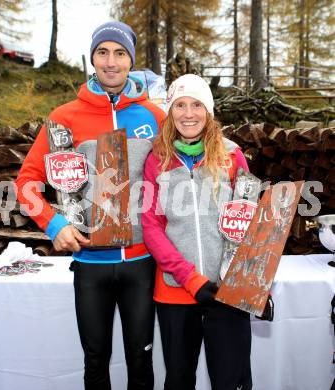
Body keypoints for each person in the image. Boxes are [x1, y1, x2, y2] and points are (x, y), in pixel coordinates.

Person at [15, 21, 165, 390]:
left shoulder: (155, 117)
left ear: (131, 60)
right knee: (95, 360)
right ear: (92, 59)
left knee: (141, 359)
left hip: (141, 262)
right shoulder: (64, 117)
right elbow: (25, 183)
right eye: (102, 52)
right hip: (89, 264)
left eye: (119, 53)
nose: (111, 62)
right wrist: (53, 225)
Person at [142, 74, 252, 390]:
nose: (188, 113)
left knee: (231, 380)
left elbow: (249, 222)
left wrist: (254, 282)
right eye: (180, 105)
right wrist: (190, 278)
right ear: (170, 111)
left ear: (209, 111)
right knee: (178, 380)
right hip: (176, 289)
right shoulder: (156, 160)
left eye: (196, 105)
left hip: (226, 290)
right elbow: (151, 227)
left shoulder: (232, 155)